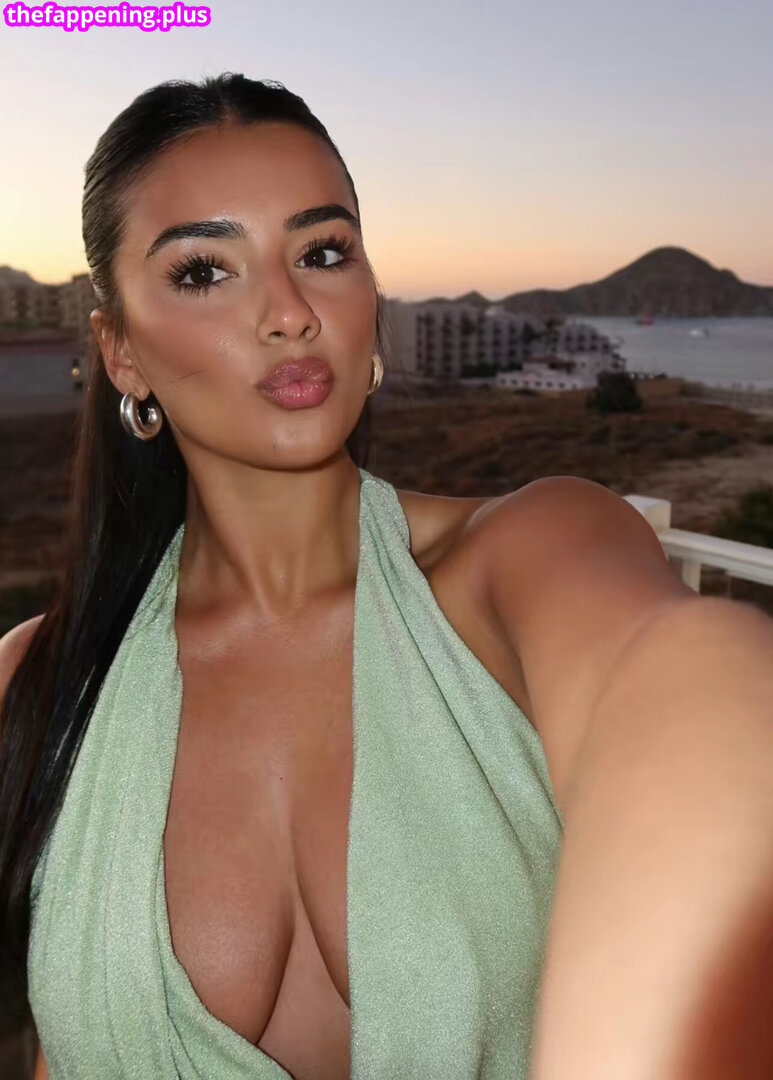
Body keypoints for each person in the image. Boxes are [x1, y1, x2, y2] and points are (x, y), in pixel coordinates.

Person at [1, 73, 772, 1080]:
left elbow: (692, 679)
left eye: (322, 253)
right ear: (122, 354)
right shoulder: (40, 686)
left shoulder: (525, 555)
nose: (289, 312)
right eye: (203, 270)